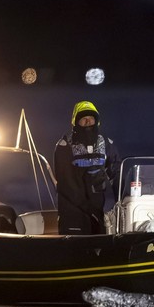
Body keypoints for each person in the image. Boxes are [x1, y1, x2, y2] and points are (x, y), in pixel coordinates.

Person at [54, 100, 121, 235]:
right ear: (75, 122)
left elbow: (117, 173)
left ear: (97, 122)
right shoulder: (64, 145)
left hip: (97, 209)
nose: (87, 122)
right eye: (83, 119)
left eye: (91, 119)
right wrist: (87, 207)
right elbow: (65, 182)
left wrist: (125, 198)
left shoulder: (106, 143)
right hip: (72, 210)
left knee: (100, 246)